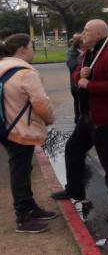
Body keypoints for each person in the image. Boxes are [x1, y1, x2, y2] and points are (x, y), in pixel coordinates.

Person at [51, 20, 108, 223]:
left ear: (98, 33)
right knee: (73, 149)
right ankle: (74, 189)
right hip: (89, 116)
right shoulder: (90, 51)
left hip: (107, 119)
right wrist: (82, 75)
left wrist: (90, 85)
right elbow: (79, 75)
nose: (83, 33)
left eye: (87, 31)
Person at [0, 34, 57, 233]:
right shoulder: (26, 73)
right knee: (20, 171)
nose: (33, 50)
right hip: (21, 130)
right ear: (23, 49)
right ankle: (23, 216)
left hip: (5, 127)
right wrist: (50, 119)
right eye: (31, 46)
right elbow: (41, 104)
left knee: (22, 168)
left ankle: (30, 206)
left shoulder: (2, 67)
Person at [66, 33, 84, 124]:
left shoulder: (84, 52)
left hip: (81, 85)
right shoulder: (72, 53)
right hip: (76, 86)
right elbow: (72, 66)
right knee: (79, 106)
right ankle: (78, 123)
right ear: (80, 44)